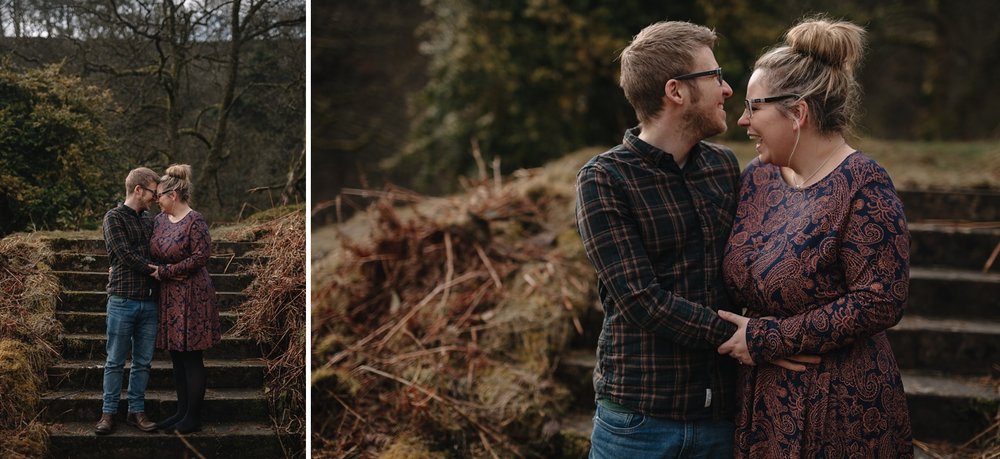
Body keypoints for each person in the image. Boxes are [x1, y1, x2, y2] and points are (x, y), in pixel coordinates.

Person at [717, 17, 913, 457]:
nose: (743, 120)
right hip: (762, 403)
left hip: (840, 409)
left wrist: (772, 338)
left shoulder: (864, 184)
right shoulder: (758, 178)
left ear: (798, 113)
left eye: (754, 107)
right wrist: (761, 341)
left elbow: (881, 298)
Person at [575, 20, 745, 457]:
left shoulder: (725, 167)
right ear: (676, 91)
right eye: (715, 76)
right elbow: (639, 298)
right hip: (638, 423)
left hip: (720, 419)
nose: (727, 90)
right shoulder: (604, 179)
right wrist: (746, 337)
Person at [149, 164, 222, 434]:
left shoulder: (195, 221)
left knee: (191, 356)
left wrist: (167, 271)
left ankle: (193, 417)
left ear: (173, 196)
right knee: (176, 356)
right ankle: (181, 411)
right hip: (169, 295)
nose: (156, 200)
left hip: (193, 295)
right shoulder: (158, 221)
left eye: (160, 196)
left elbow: (201, 257)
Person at [97, 167, 162, 435]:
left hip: (149, 302)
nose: (155, 199)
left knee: (143, 362)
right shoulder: (113, 218)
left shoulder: (151, 221)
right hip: (122, 301)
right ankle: (108, 413)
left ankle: (137, 412)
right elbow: (123, 253)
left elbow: (159, 249)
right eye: (152, 193)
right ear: (138, 190)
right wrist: (152, 269)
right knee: (114, 361)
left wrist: (155, 264)